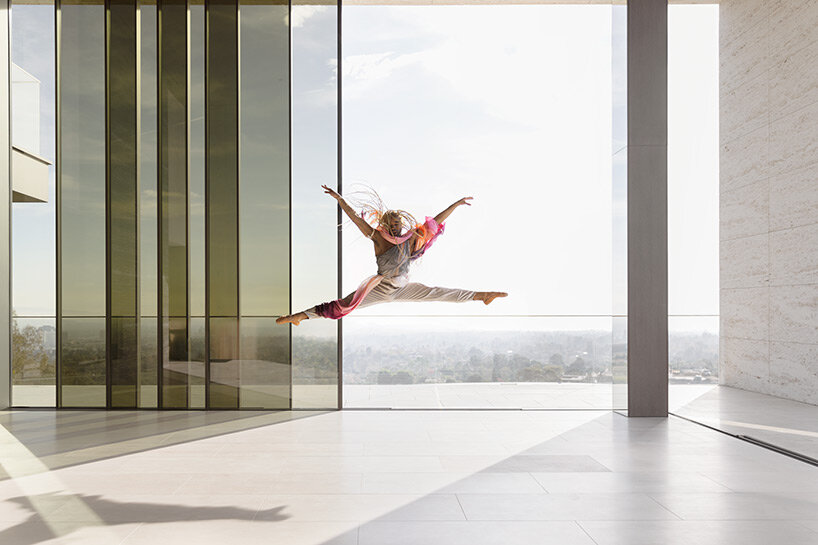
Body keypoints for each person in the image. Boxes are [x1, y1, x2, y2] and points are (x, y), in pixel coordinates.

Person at [276, 185, 507, 325]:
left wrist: (455, 205)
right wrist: (340, 200)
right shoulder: (377, 237)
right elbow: (356, 218)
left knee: (436, 292)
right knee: (343, 306)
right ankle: (298, 316)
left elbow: (435, 221)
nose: (397, 227)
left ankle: (481, 295)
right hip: (382, 287)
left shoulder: (410, 238)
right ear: (386, 224)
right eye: (393, 224)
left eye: (398, 224)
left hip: (403, 287)